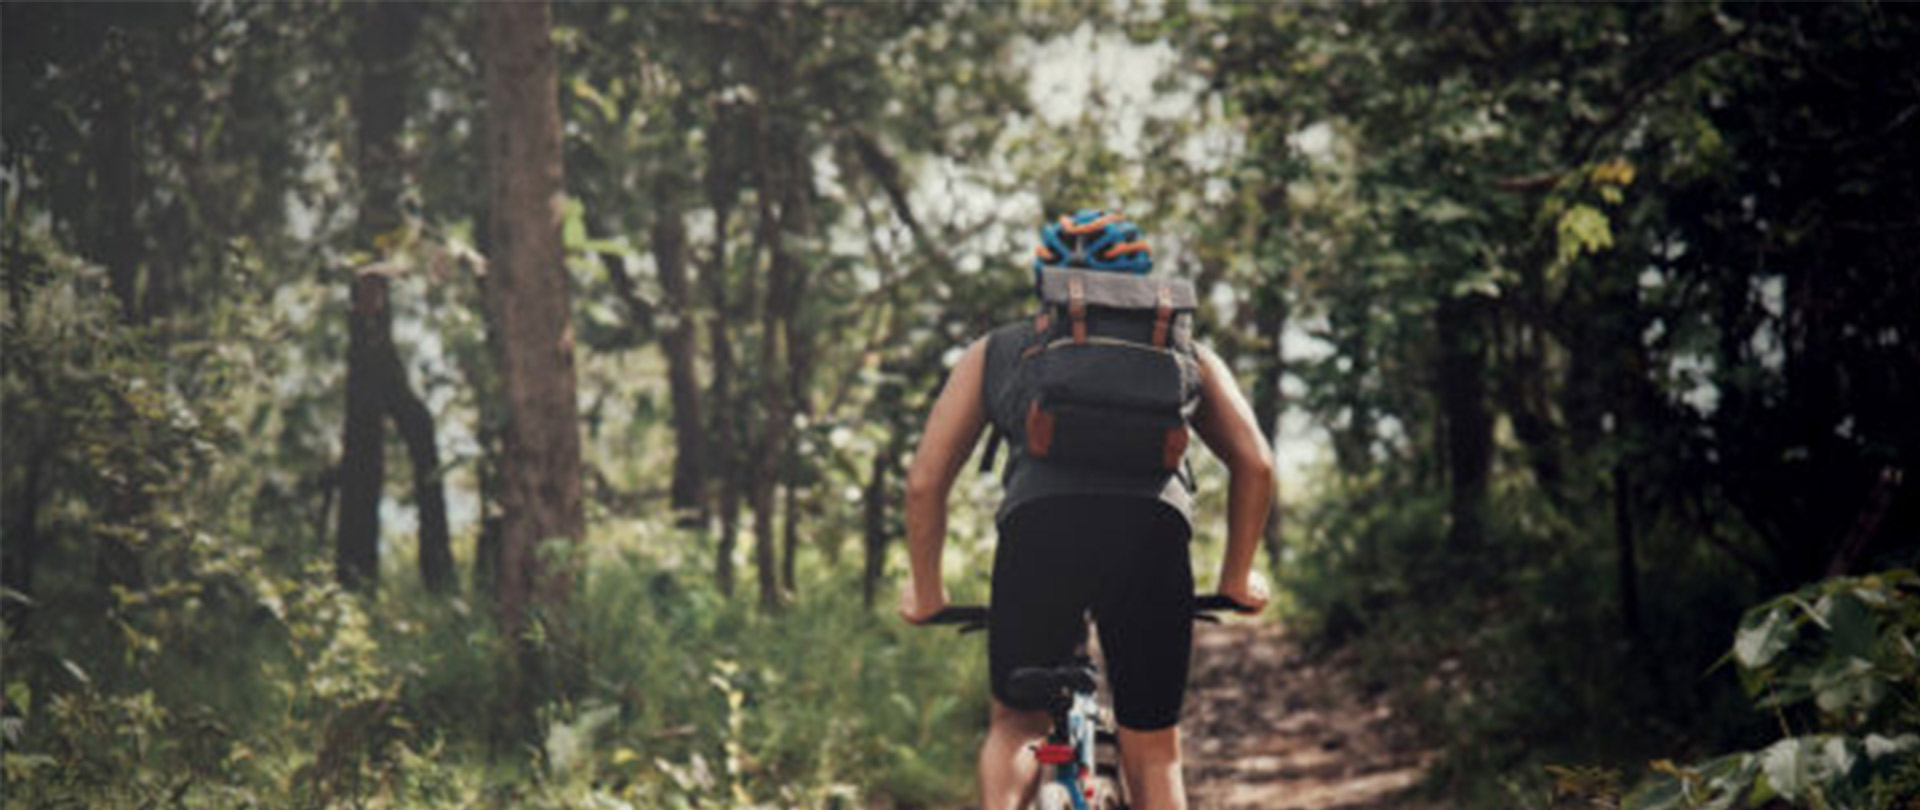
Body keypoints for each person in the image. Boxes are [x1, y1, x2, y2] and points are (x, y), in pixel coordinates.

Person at [897, 210, 1276, 810]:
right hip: (1152, 540)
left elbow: (924, 483)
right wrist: (1235, 579)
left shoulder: (997, 350)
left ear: (1043, 281)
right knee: (1153, 749)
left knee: (1017, 725)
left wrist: (927, 593)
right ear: (1141, 280)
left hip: (1039, 534)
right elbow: (1256, 464)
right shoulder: (1183, 351)